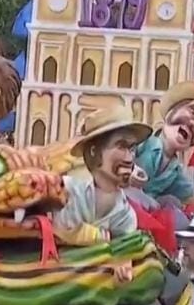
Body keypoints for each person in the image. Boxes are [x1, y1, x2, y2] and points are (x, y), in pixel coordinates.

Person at [48, 105, 150, 248]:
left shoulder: (125, 216)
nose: (129, 158)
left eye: (132, 149)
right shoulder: (66, 191)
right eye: (121, 146)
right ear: (94, 151)